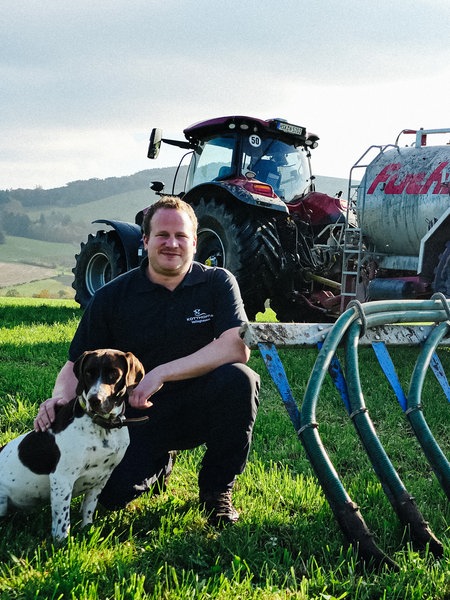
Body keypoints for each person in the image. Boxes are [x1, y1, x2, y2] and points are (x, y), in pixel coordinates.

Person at [34, 195, 260, 525]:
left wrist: (160, 374)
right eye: (162, 235)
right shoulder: (113, 295)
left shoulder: (218, 282)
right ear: (145, 241)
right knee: (111, 496)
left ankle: (216, 491)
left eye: (181, 236)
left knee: (241, 378)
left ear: (194, 243)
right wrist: (58, 401)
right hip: (134, 418)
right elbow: (74, 364)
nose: (172, 244)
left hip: (200, 406)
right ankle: (157, 462)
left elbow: (236, 347)